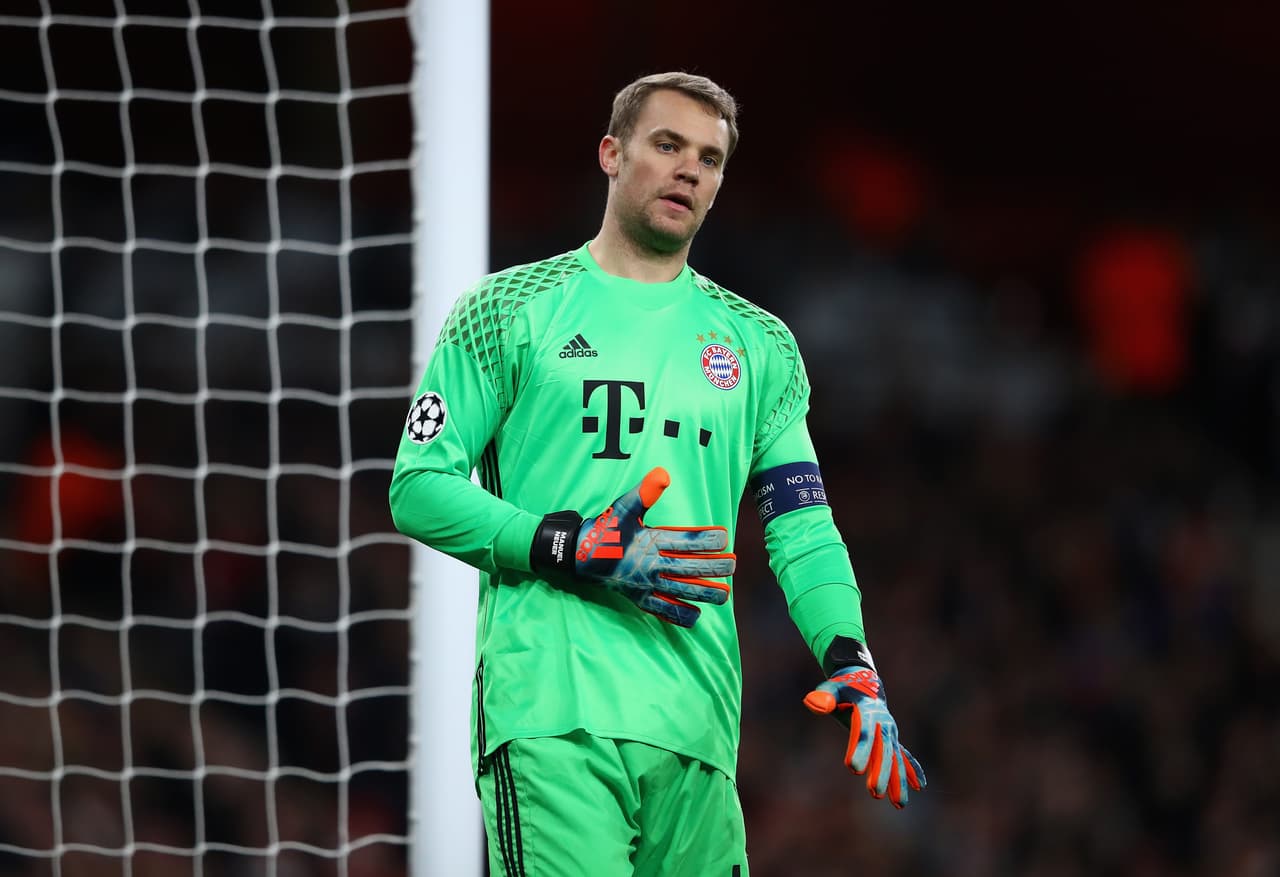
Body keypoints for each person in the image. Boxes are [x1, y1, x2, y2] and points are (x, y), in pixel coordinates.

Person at [389, 71, 924, 876]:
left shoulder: (758, 345)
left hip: (697, 727)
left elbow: (802, 524)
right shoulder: (507, 310)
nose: (688, 170)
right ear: (612, 153)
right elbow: (417, 485)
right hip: (551, 716)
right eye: (667, 145)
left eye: (708, 159)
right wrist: (567, 546)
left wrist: (853, 660)